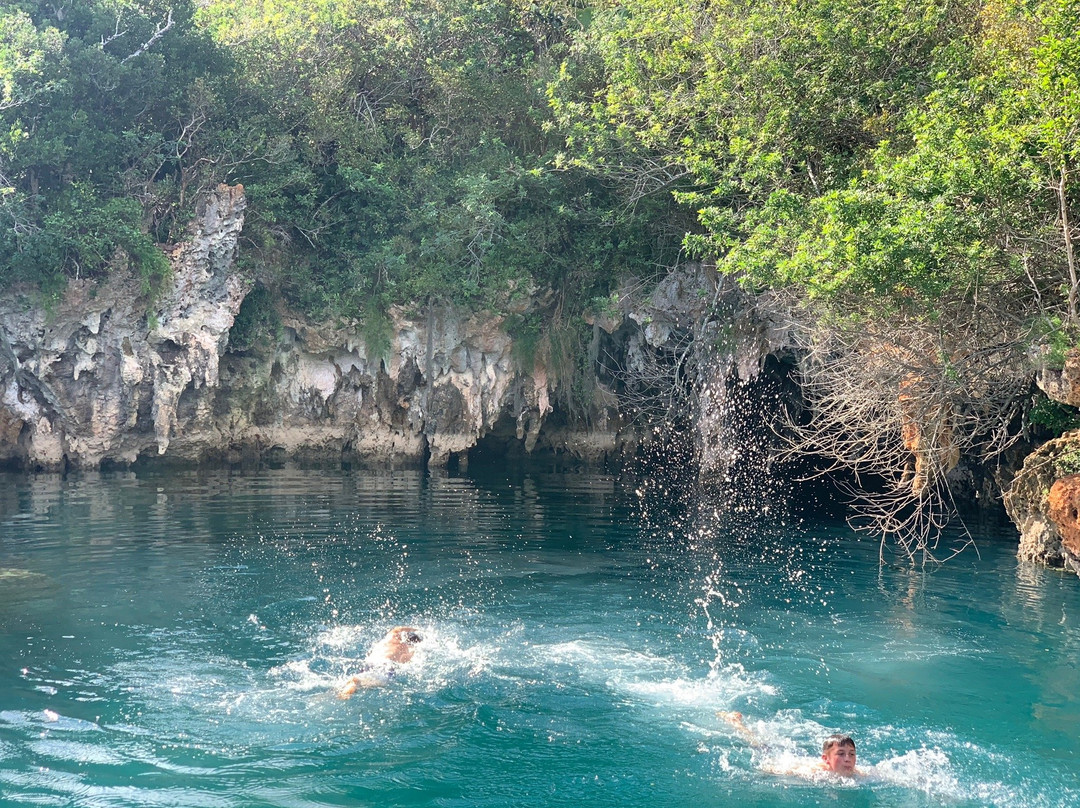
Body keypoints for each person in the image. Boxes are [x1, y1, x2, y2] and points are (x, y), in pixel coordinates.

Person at [718, 711, 865, 778]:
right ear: (826, 759)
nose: (848, 759)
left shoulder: (857, 773)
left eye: (852, 754)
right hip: (785, 759)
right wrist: (767, 770)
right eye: (841, 753)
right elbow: (776, 769)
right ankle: (735, 722)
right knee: (758, 745)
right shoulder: (814, 772)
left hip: (798, 756)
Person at [338, 625, 423, 698]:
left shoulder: (392, 636)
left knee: (361, 679)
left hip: (371, 661)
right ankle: (348, 691)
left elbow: (398, 628)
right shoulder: (408, 649)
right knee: (365, 682)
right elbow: (405, 661)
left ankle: (349, 687)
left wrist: (417, 629)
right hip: (386, 665)